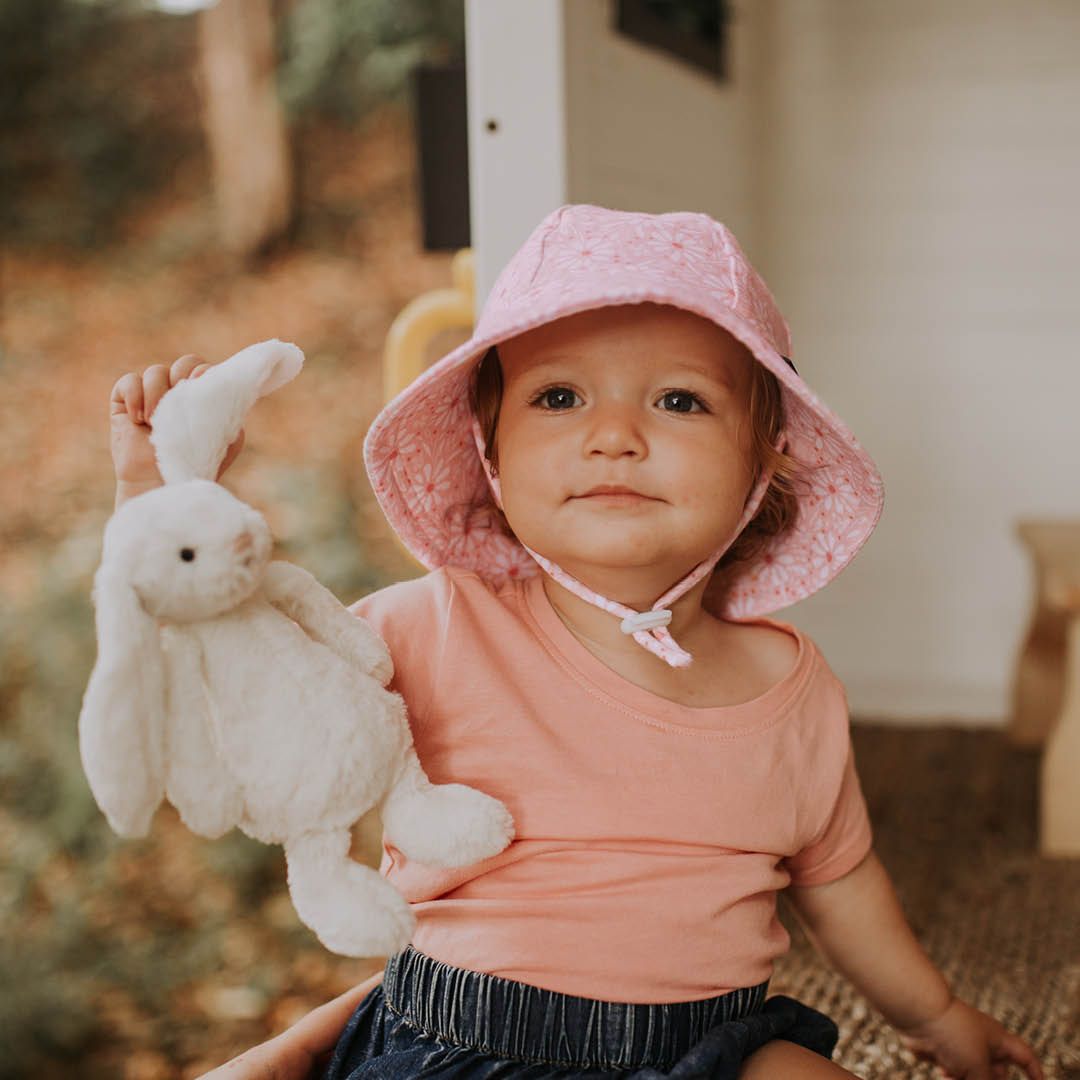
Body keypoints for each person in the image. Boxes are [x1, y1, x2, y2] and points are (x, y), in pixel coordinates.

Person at [111, 205, 1043, 1080]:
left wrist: (935, 1019)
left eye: (679, 402)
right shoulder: (433, 625)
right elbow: (239, 698)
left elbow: (841, 881)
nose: (614, 437)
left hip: (708, 1047)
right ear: (492, 453)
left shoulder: (790, 686)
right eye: (559, 396)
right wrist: (157, 512)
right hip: (463, 1041)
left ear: (765, 464)